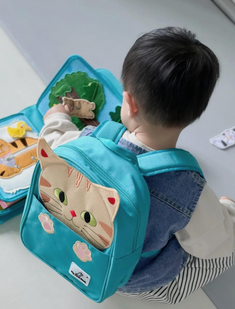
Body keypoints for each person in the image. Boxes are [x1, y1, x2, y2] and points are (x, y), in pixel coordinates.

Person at [39, 27, 235, 304]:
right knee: (224, 246)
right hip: (134, 281)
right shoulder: (190, 191)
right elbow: (215, 244)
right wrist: (227, 211)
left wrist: (56, 117)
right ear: (195, 116)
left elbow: (53, 143)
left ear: (128, 103)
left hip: (72, 247)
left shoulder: (88, 139)